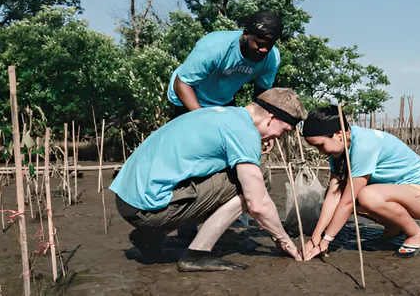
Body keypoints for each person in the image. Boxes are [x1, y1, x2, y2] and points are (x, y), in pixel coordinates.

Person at [109, 88, 307, 271]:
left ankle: (150, 236)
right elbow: (258, 203)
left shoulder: (225, 114)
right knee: (257, 179)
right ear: (271, 117)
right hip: (145, 209)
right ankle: (196, 254)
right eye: (284, 131)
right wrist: (284, 240)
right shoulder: (244, 131)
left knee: (240, 175)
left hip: (127, 200)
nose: (280, 137)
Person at [166, 10, 283, 238]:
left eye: (270, 44)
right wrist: (203, 121)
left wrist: (262, 132)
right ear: (246, 34)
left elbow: (262, 97)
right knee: (190, 161)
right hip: (188, 97)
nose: (264, 50)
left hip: (223, 102)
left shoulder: (270, 58)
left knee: (232, 160)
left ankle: (232, 220)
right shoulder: (214, 46)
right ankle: (183, 222)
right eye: (259, 43)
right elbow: (183, 83)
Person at [299, 106, 420, 260]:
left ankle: (417, 235)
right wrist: (316, 237)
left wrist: (327, 239)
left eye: (320, 146)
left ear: (339, 134)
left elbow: (347, 202)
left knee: (366, 195)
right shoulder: (337, 151)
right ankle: (394, 230)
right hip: (402, 192)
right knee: (346, 195)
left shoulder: (364, 145)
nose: (320, 152)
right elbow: (333, 196)